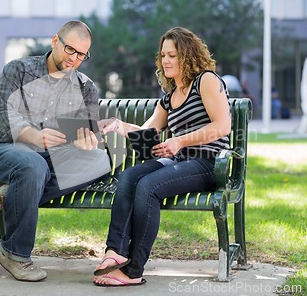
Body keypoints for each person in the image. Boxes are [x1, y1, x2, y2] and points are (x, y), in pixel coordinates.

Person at [93, 27, 231, 287]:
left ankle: (133, 271)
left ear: (188, 56)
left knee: (149, 186)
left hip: (208, 162)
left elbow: (222, 126)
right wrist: (116, 125)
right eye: (163, 55)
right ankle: (116, 253)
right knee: (130, 175)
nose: (166, 60)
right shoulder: (169, 97)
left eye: (173, 55)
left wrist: (179, 140)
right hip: (179, 162)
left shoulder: (207, 81)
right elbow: (147, 131)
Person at [0, 20, 111, 282]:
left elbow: (84, 130)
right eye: (70, 50)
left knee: (99, 160)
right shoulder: (18, 70)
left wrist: (85, 140)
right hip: (4, 151)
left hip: (52, 159)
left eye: (82, 54)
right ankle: (15, 255)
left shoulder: (85, 87)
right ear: (55, 41)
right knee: (33, 166)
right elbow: (5, 116)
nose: (74, 59)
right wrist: (36, 137)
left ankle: (14, 192)